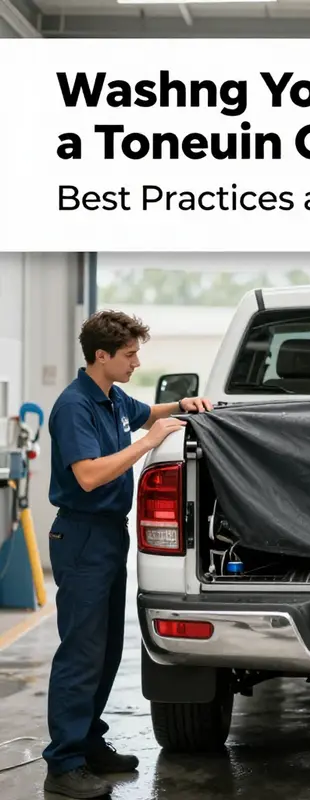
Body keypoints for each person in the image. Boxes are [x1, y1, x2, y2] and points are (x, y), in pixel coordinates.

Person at [42, 310, 213, 799]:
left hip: (109, 537)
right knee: (81, 654)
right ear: (102, 356)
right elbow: (90, 476)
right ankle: (64, 764)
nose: (137, 361)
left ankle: (90, 743)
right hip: (81, 537)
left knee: (107, 651)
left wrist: (180, 405)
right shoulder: (75, 406)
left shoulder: (111, 397)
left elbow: (147, 413)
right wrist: (149, 444)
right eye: (130, 354)